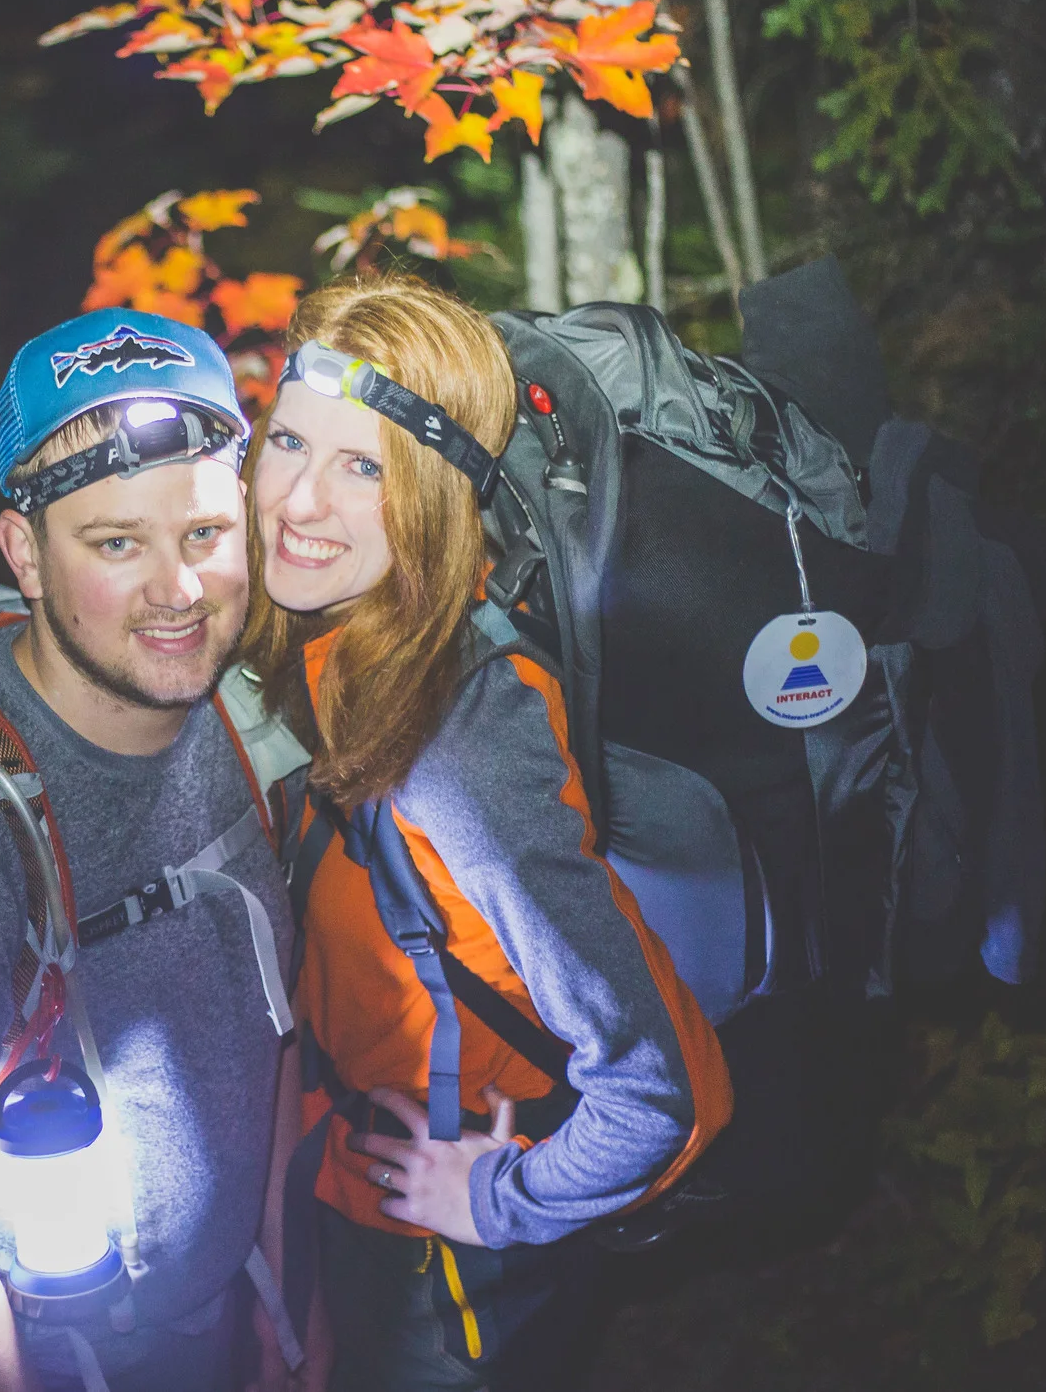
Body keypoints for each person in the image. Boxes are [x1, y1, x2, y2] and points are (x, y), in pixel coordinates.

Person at [241, 276, 733, 1390]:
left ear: (432, 497)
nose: (298, 499)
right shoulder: (339, 645)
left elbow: (650, 1088)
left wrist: (500, 1199)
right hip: (355, 1187)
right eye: (289, 442)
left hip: (453, 1261)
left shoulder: (454, 737)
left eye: (363, 467)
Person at [0, 308, 304, 1392]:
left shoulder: (239, 719)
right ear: (25, 554)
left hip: (214, 1320)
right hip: (40, 1353)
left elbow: (266, 1026)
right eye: (116, 543)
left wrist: (281, 1301)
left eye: (205, 534)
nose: (178, 591)